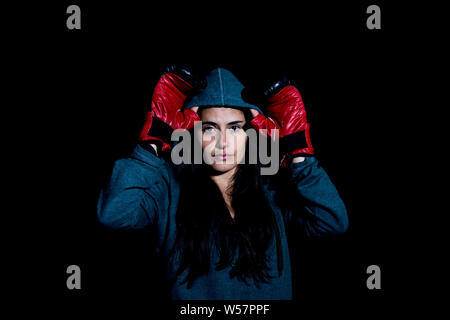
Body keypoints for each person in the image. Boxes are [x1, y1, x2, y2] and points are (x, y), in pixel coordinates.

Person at [97, 66, 348, 300]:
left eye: (235, 128)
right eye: (209, 128)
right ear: (192, 131)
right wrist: (154, 138)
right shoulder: (166, 185)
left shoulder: (273, 187)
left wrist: (298, 152)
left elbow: (332, 222)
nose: (223, 142)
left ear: (251, 133)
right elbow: (114, 215)